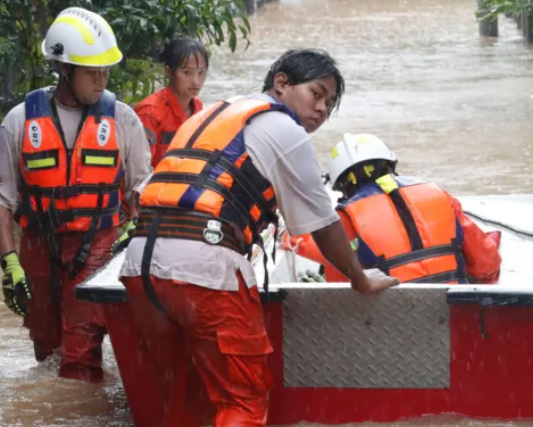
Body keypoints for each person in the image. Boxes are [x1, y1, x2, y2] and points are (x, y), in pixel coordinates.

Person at [119, 48, 399, 426]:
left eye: (329, 104)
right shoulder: (287, 131)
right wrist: (359, 277)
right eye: (317, 94)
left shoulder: (210, 114)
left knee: (180, 394)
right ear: (281, 83)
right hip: (205, 268)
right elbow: (323, 224)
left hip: (140, 266)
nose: (321, 109)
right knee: (244, 400)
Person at [0, 7, 151, 382]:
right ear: (63, 69)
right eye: (93, 72)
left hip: (97, 246)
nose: (102, 80)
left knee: (80, 352)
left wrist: (136, 225)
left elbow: (142, 186)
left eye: (106, 71)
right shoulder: (19, 121)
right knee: (45, 348)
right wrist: (9, 262)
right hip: (39, 247)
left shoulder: (123, 120)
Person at [290, 133, 502, 284]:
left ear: (342, 185)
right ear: (390, 166)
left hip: (388, 318)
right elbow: (487, 263)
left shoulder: (345, 218)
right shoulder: (438, 195)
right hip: (452, 309)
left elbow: (340, 289)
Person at [135, 37, 208, 167]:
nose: (196, 81)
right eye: (187, 72)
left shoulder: (198, 109)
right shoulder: (150, 113)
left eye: (201, 73)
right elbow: (139, 168)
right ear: (169, 72)